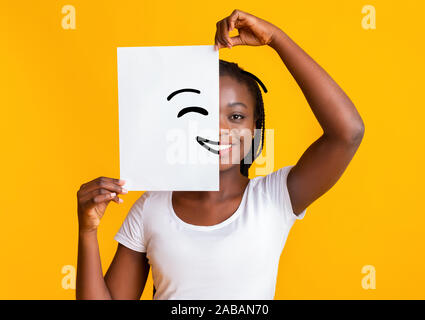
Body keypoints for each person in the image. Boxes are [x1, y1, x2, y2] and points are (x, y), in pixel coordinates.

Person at [76, 9, 365, 300]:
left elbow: (348, 132)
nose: (219, 128)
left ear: (255, 128)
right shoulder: (151, 207)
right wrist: (87, 231)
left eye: (236, 116)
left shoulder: (274, 197)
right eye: (203, 114)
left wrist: (276, 39)